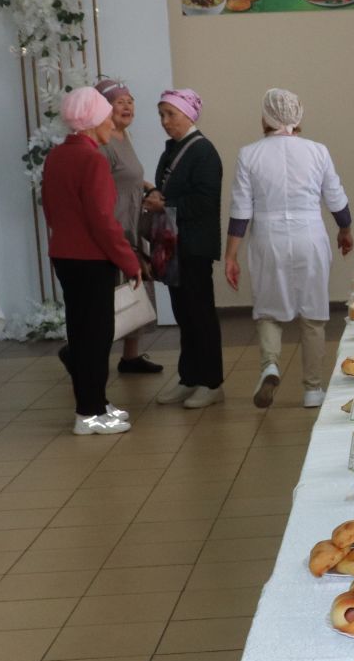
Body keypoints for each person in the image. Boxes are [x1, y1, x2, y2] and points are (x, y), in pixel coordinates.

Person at [226, 88, 354, 409]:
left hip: (268, 238)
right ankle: (312, 389)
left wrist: (231, 255)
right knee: (313, 314)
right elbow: (336, 199)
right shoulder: (317, 151)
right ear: (299, 117)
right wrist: (345, 230)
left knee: (269, 310)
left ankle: (270, 365)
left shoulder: (249, 154)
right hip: (309, 235)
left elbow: (241, 210)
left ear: (265, 118)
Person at [43, 86, 143, 436]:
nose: (111, 121)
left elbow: (51, 209)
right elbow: (103, 219)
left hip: (65, 256)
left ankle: (96, 403)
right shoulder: (92, 159)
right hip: (91, 258)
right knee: (96, 336)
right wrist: (130, 262)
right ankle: (88, 413)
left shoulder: (57, 156)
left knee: (82, 332)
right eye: (106, 115)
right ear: (91, 121)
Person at [147, 88, 226, 408]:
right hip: (173, 244)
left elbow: (206, 202)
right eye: (161, 115)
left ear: (189, 115)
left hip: (194, 245)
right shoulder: (173, 149)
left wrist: (163, 204)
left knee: (200, 314)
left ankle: (211, 381)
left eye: (171, 114)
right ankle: (189, 377)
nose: (165, 122)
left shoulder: (203, 151)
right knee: (184, 314)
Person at [96, 78, 162, 375]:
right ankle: (91, 357)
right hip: (116, 226)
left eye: (130, 100)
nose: (127, 105)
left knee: (136, 288)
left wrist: (147, 188)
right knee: (114, 294)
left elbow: (129, 176)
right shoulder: (103, 143)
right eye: (118, 101)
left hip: (134, 222)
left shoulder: (125, 137)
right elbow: (101, 188)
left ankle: (131, 356)